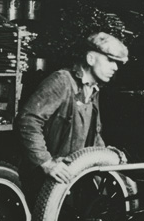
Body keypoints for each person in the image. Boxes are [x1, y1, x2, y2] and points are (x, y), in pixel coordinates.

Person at [17, 32, 127, 186]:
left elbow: (93, 135)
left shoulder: (93, 90)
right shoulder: (62, 81)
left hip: (72, 178)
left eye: (118, 63)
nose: (115, 67)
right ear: (90, 58)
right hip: (45, 179)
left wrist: (108, 157)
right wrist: (46, 161)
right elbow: (28, 120)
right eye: (110, 60)